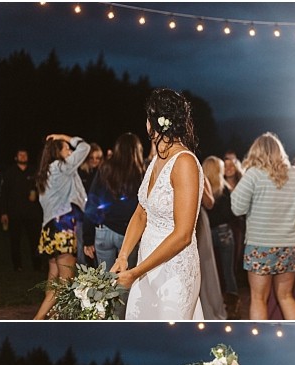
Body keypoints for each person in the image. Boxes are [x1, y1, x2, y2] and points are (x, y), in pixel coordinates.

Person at [113, 88, 204, 320]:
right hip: (145, 267)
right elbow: (141, 213)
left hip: (174, 271)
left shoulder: (185, 163)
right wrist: (123, 255)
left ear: (154, 123)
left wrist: (136, 272)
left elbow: (183, 234)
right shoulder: (156, 160)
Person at [230, 132, 295, 320]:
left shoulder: (253, 174)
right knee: (286, 296)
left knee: (258, 298)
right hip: (291, 244)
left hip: (261, 244)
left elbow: (237, 208)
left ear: (256, 151)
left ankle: (260, 337)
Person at [34, 133, 91, 319]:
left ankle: (52, 317)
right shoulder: (61, 167)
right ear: (57, 152)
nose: (70, 151)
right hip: (63, 227)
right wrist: (63, 136)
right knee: (66, 281)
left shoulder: (45, 171)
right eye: (66, 149)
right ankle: (38, 320)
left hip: (48, 228)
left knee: (53, 278)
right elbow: (85, 147)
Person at [83, 133, 144, 275]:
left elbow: (92, 202)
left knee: (105, 282)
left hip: (104, 230)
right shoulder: (140, 172)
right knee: (126, 280)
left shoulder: (105, 168)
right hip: (128, 233)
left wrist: (87, 238)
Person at [201, 156, 239, 317]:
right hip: (224, 232)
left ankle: (214, 302)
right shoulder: (225, 190)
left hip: (207, 233)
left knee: (211, 271)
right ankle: (232, 307)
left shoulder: (202, 188)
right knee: (228, 271)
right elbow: (231, 213)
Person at [0, 147, 43, 272]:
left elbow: (42, 188)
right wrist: (3, 213)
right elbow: (3, 194)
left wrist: (36, 193)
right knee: (15, 240)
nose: (23, 157)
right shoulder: (10, 173)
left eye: (25, 155)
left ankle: (37, 265)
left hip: (32, 213)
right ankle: (17, 266)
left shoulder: (34, 172)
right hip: (15, 213)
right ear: (16, 157)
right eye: (20, 155)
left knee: (35, 240)